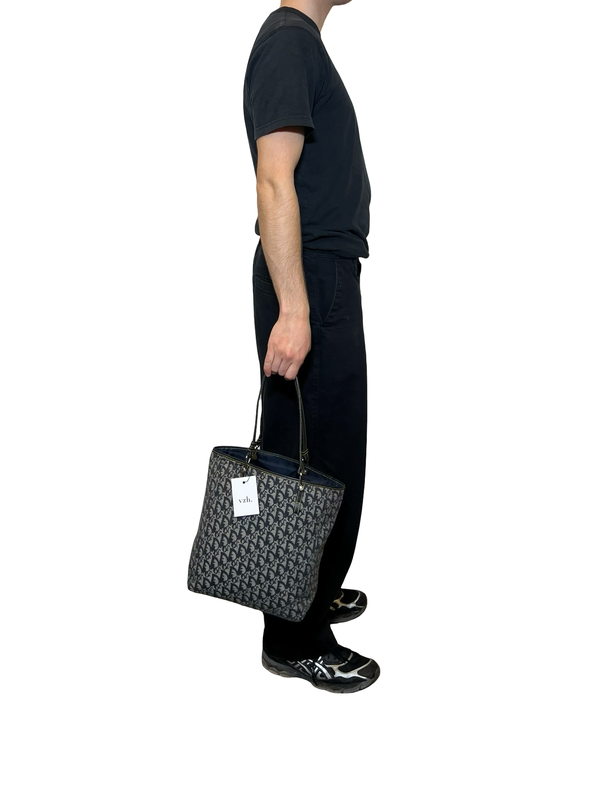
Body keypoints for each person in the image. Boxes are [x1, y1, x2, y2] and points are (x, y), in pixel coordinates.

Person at [243, 0, 380, 692]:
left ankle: (311, 589)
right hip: (308, 276)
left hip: (319, 271)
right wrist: (294, 307)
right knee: (311, 455)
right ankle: (294, 638)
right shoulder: (289, 42)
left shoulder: (300, 43)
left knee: (324, 450)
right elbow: (274, 178)